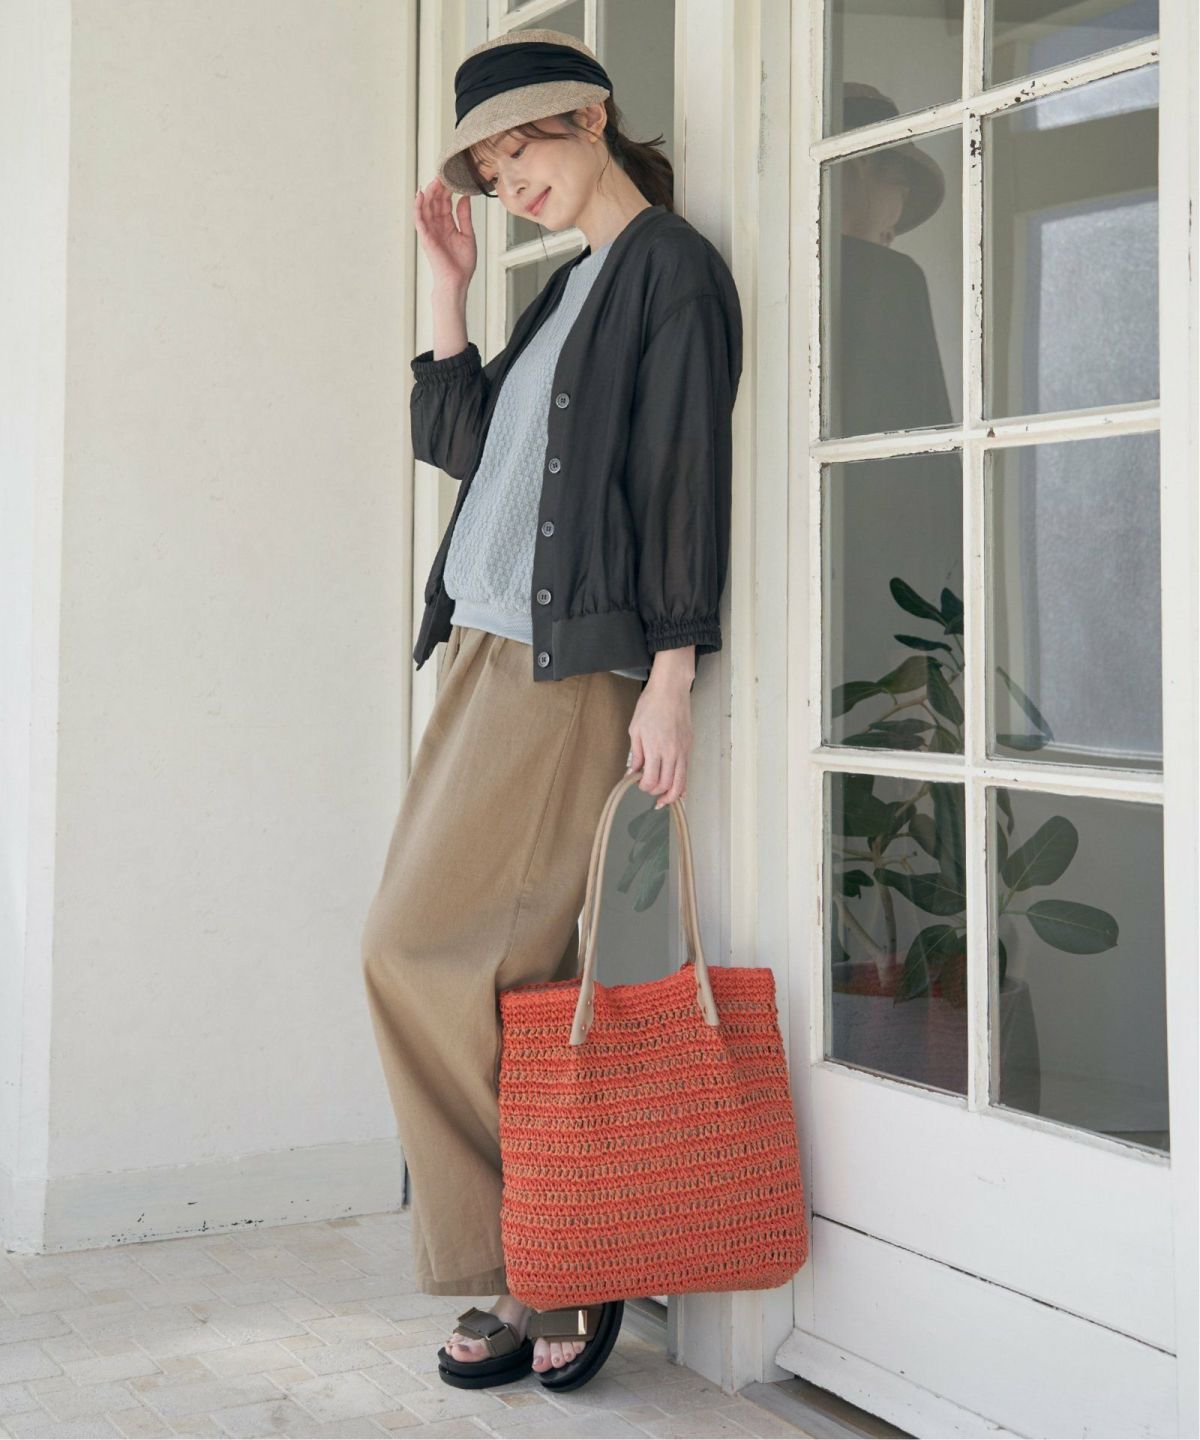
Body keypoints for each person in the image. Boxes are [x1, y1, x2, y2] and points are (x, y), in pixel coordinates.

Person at [359, 28, 742, 1394]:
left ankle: (553, 1264)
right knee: (499, 973)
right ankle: (548, 1255)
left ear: (591, 117)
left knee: (414, 949)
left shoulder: (668, 270)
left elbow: (687, 474)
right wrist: (451, 292)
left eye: (523, 148)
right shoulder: (572, 283)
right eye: (489, 167)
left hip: (558, 666)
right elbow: (470, 446)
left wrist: (675, 673)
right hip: (483, 648)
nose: (509, 181)